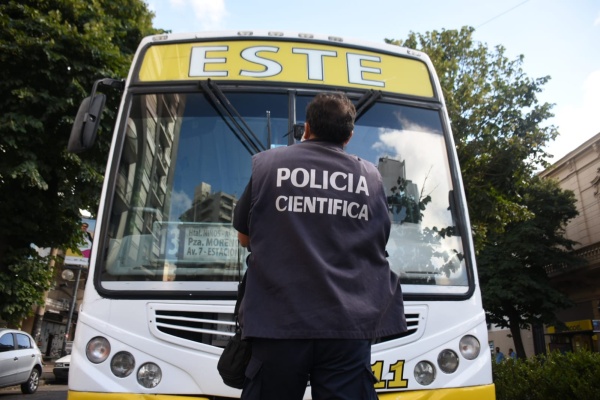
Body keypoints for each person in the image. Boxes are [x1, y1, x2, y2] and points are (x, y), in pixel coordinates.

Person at [233, 92, 406, 400]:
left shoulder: (269, 166)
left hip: (278, 323)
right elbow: (379, 240)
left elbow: (245, 238)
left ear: (307, 128)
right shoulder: (371, 177)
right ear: (349, 136)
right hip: (347, 324)